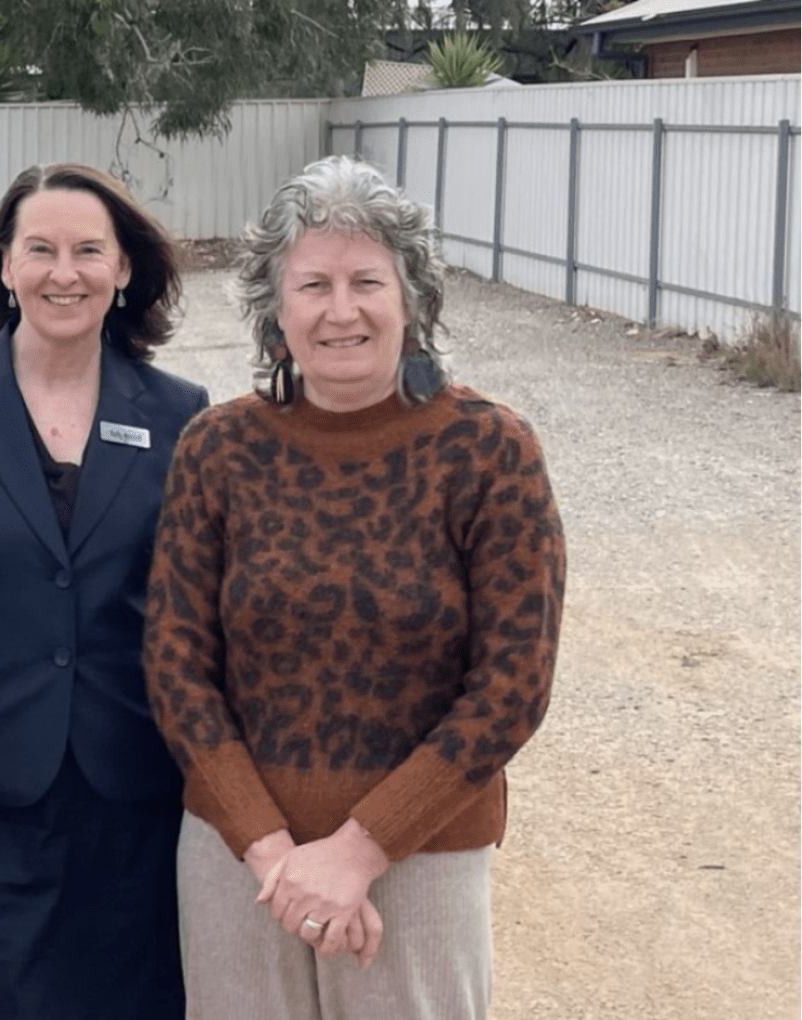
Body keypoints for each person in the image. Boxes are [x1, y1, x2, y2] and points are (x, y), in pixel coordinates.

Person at [143, 156, 566, 1020]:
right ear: (275, 311)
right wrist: (273, 856)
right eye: (313, 285)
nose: (342, 309)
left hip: (419, 864)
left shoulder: (490, 450)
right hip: (241, 866)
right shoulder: (216, 450)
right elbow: (176, 664)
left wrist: (359, 853)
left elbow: (513, 684)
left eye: (367, 280)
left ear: (413, 298)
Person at [0, 163, 209, 1020]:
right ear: (5, 266)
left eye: (89, 250)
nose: (67, 272)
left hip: (137, 783)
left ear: (124, 269)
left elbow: (193, 603)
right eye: (43, 249)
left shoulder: (183, 413)